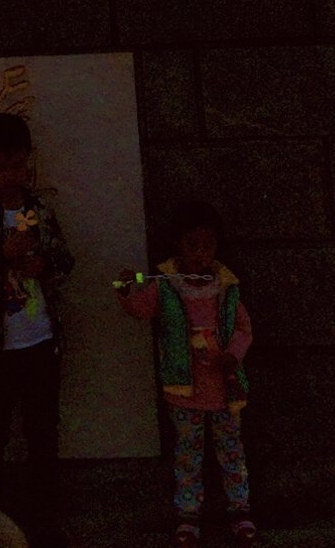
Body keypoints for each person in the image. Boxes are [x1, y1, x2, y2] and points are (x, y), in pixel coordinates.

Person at [0, 112, 73, 544]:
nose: (10, 174)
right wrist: (2, 254)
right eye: (0, 166)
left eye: (17, 165)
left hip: (40, 336)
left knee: (43, 428)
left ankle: (44, 516)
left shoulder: (38, 209)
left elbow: (65, 262)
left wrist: (43, 265)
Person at [117, 199, 256, 546]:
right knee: (188, 455)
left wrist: (233, 355)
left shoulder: (225, 286)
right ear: (178, 245)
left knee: (231, 452)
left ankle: (240, 510)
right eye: (192, 245)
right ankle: (188, 515)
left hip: (224, 387)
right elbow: (140, 309)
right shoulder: (166, 285)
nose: (200, 254)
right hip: (184, 389)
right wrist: (124, 289)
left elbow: (244, 328)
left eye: (207, 246)